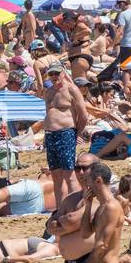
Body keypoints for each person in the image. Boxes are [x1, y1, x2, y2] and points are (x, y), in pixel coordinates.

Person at [42, 62, 88, 203]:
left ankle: (74, 205)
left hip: (66, 132)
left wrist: (76, 133)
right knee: (55, 175)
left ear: (63, 73)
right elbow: (48, 113)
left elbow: (83, 115)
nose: (54, 76)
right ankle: (60, 208)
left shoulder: (72, 90)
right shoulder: (48, 92)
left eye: (57, 73)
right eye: (51, 74)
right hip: (50, 134)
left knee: (69, 174)